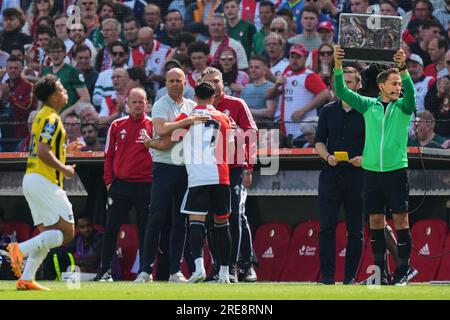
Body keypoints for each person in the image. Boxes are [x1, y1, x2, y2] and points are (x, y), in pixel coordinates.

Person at [334, 45, 416, 285]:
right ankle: (381, 273)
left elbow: (410, 95)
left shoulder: (403, 107)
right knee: (376, 222)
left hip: (395, 171)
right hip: (371, 173)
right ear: (381, 86)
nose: (398, 88)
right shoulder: (369, 105)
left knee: (401, 222)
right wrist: (338, 66)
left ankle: (403, 271)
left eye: (399, 84)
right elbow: (342, 91)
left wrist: (403, 70)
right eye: (394, 84)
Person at [134, 68, 206, 283]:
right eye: (171, 80)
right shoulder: (160, 104)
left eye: (179, 80)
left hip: (186, 169)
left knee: (179, 221)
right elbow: (162, 128)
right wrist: (187, 122)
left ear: (186, 83)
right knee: (155, 219)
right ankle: (145, 270)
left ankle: (175, 271)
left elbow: (169, 137)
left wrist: (161, 140)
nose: (175, 84)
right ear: (165, 83)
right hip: (164, 167)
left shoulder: (192, 106)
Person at [7, 74, 75, 290]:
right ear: (54, 97)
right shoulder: (52, 119)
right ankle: (20, 249)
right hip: (45, 180)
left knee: (48, 235)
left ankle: (27, 279)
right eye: (62, 89)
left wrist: (65, 152)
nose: (65, 93)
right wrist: (64, 168)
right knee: (67, 233)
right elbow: (43, 151)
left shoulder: (40, 115)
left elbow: (46, 148)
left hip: (32, 178)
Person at [201, 67, 258, 282]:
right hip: (207, 169)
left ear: (223, 82)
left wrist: (249, 168)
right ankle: (219, 266)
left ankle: (240, 265)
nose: (214, 85)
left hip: (234, 166)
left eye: (217, 81)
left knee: (234, 214)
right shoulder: (199, 109)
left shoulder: (236, 104)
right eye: (209, 82)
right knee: (212, 217)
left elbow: (252, 134)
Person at [93, 88, 156, 281]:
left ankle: (145, 272)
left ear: (147, 104)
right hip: (120, 186)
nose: (138, 105)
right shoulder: (117, 125)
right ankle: (105, 271)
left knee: (146, 229)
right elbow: (108, 155)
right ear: (127, 104)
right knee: (110, 227)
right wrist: (109, 182)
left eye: (141, 102)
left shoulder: (154, 125)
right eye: (134, 102)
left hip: (146, 185)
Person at [177, 80, 235, 283]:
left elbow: (175, 138)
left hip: (198, 177)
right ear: (214, 98)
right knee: (222, 224)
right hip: (220, 176)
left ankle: (199, 268)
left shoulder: (188, 116)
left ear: (195, 98)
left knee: (196, 223)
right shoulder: (224, 118)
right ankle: (226, 273)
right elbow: (229, 148)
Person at [315, 66, 365, 285]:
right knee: (326, 226)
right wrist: (327, 157)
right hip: (331, 174)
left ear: (359, 84)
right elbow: (318, 141)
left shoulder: (368, 110)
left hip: (359, 175)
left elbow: (376, 142)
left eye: (351, 82)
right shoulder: (327, 110)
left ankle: (350, 278)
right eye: (342, 82)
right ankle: (326, 277)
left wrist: (365, 157)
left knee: (356, 229)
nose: (346, 86)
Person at [267, 43, 329, 146]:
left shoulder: (308, 76)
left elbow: (325, 93)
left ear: (305, 58)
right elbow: (268, 96)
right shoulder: (286, 74)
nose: (294, 60)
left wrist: (302, 111)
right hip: (286, 129)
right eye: (292, 56)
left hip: (304, 132)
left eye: (298, 57)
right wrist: (275, 86)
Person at [41, 38, 91, 116]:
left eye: (58, 51)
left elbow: (85, 98)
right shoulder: (45, 71)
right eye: (52, 52)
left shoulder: (73, 71)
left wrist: (67, 112)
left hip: (66, 115)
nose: (55, 55)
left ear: (64, 53)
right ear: (48, 54)